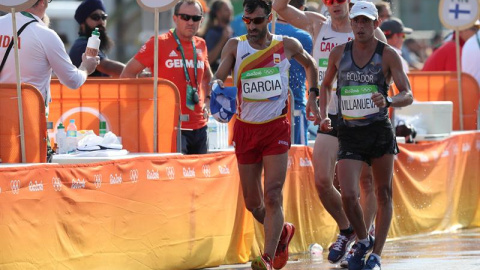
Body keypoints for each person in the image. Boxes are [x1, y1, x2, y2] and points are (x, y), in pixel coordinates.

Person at [273, 0, 383, 266]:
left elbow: (389, 69)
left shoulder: (366, 27)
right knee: (322, 180)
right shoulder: (317, 24)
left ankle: (361, 244)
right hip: (331, 115)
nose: (334, 5)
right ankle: (348, 230)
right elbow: (279, 8)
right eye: (329, 1)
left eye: (340, 1)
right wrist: (313, 95)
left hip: (362, 115)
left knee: (365, 184)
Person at [213, 0, 318, 269]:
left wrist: (313, 96)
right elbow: (221, 71)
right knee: (253, 203)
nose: (252, 27)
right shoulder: (236, 45)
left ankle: (267, 258)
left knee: (273, 195)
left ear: (269, 18)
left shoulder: (286, 45)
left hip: (276, 128)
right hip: (246, 130)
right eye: (247, 21)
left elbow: (311, 66)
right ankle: (282, 232)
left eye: (257, 21)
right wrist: (216, 87)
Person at [308, 1, 413, 269]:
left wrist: (388, 101)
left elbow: (408, 93)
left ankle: (376, 255)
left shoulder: (388, 54)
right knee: (348, 194)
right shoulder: (338, 53)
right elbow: (326, 84)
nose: (361, 26)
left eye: (367, 21)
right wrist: (322, 116)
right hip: (350, 132)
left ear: (376, 24)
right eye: (357, 21)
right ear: (352, 24)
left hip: (378, 132)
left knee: (383, 192)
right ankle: (362, 240)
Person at [120, 0, 213, 155]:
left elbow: (207, 77)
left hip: (200, 126)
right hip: (171, 127)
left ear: (201, 21)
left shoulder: (201, 44)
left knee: (199, 178)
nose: (190, 22)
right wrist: (141, 107)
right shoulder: (158, 43)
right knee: (177, 177)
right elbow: (127, 73)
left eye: (195, 18)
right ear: (175, 19)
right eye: (185, 17)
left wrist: (208, 99)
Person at [0, 0, 98, 113]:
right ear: (42, 2)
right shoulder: (45, 34)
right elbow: (72, 80)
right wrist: (85, 68)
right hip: (28, 119)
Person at [271, 0, 313, 145]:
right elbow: (313, 69)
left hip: (268, 109)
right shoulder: (304, 37)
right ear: (301, 9)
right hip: (296, 107)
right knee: (298, 162)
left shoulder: (266, 29)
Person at [69, 0, 125, 77]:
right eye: (95, 17)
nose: (101, 21)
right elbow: (106, 66)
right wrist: (134, 71)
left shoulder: (92, 44)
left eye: (104, 17)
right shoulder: (83, 45)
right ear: (82, 24)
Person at [199, 0, 233, 73]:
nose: (230, 12)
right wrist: (222, 40)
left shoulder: (230, 31)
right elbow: (207, 60)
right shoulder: (212, 33)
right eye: (226, 9)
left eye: (230, 9)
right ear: (218, 13)